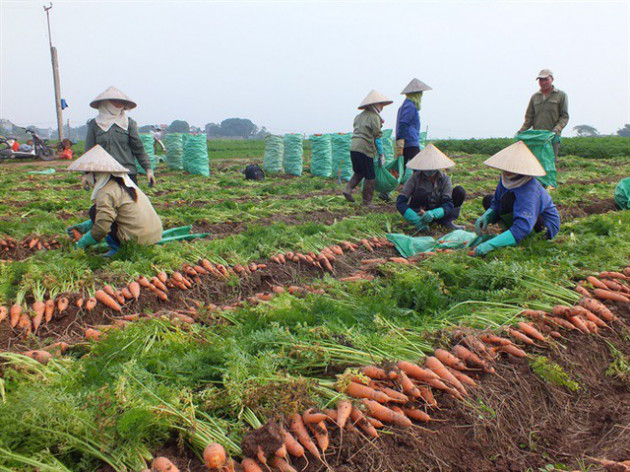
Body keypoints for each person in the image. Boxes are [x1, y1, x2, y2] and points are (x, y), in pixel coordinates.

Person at [65, 145, 163, 257]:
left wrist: (83, 242)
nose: (86, 178)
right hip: (153, 235)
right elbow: (112, 215)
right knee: (100, 213)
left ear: (96, 173)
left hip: (137, 240)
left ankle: (117, 249)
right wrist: (84, 227)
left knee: (94, 211)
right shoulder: (125, 184)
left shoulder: (106, 192)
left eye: (87, 174)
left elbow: (103, 226)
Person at [474, 141, 560, 256]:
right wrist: (488, 215)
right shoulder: (505, 178)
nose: (507, 171)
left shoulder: (530, 189)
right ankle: (510, 232)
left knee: (509, 201)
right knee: (488, 200)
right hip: (521, 213)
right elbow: (496, 202)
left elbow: (524, 226)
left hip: (543, 225)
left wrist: (490, 245)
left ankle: (518, 236)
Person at [85, 86, 155, 186]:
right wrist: (87, 174)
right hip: (103, 175)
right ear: (106, 103)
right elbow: (89, 152)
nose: (118, 104)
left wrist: (148, 170)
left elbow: (139, 149)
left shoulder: (128, 123)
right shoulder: (95, 124)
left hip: (127, 174)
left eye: (121, 101)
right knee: (104, 201)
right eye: (114, 101)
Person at [396, 144, 465, 232]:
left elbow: (448, 204)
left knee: (459, 191)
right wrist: (413, 217)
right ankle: (419, 222)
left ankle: (447, 222)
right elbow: (400, 202)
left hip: (440, 212)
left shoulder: (444, 179)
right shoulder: (414, 178)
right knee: (420, 192)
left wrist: (435, 213)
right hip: (421, 213)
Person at [343, 90, 393, 206]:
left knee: (359, 172)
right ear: (374, 104)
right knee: (370, 177)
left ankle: (347, 189)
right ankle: (367, 202)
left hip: (354, 147)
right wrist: (381, 154)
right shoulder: (374, 117)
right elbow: (378, 137)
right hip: (365, 149)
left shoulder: (359, 116)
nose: (382, 107)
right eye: (381, 104)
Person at [518, 69, 569, 158]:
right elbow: (529, 118)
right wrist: (521, 131)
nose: (543, 82)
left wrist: (556, 129)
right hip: (537, 136)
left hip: (552, 137)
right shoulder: (535, 97)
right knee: (536, 164)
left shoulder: (561, 95)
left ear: (552, 79)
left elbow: (564, 116)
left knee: (550, 163)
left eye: (546, 79)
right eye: (541, 80)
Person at [396, 78, 432, 165]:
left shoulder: (407, 105)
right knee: (419, 168)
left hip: (408, 141)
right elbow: (403, 124)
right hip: (410, 142)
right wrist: (402, 140)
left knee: (405, 168)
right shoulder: (409, 106)